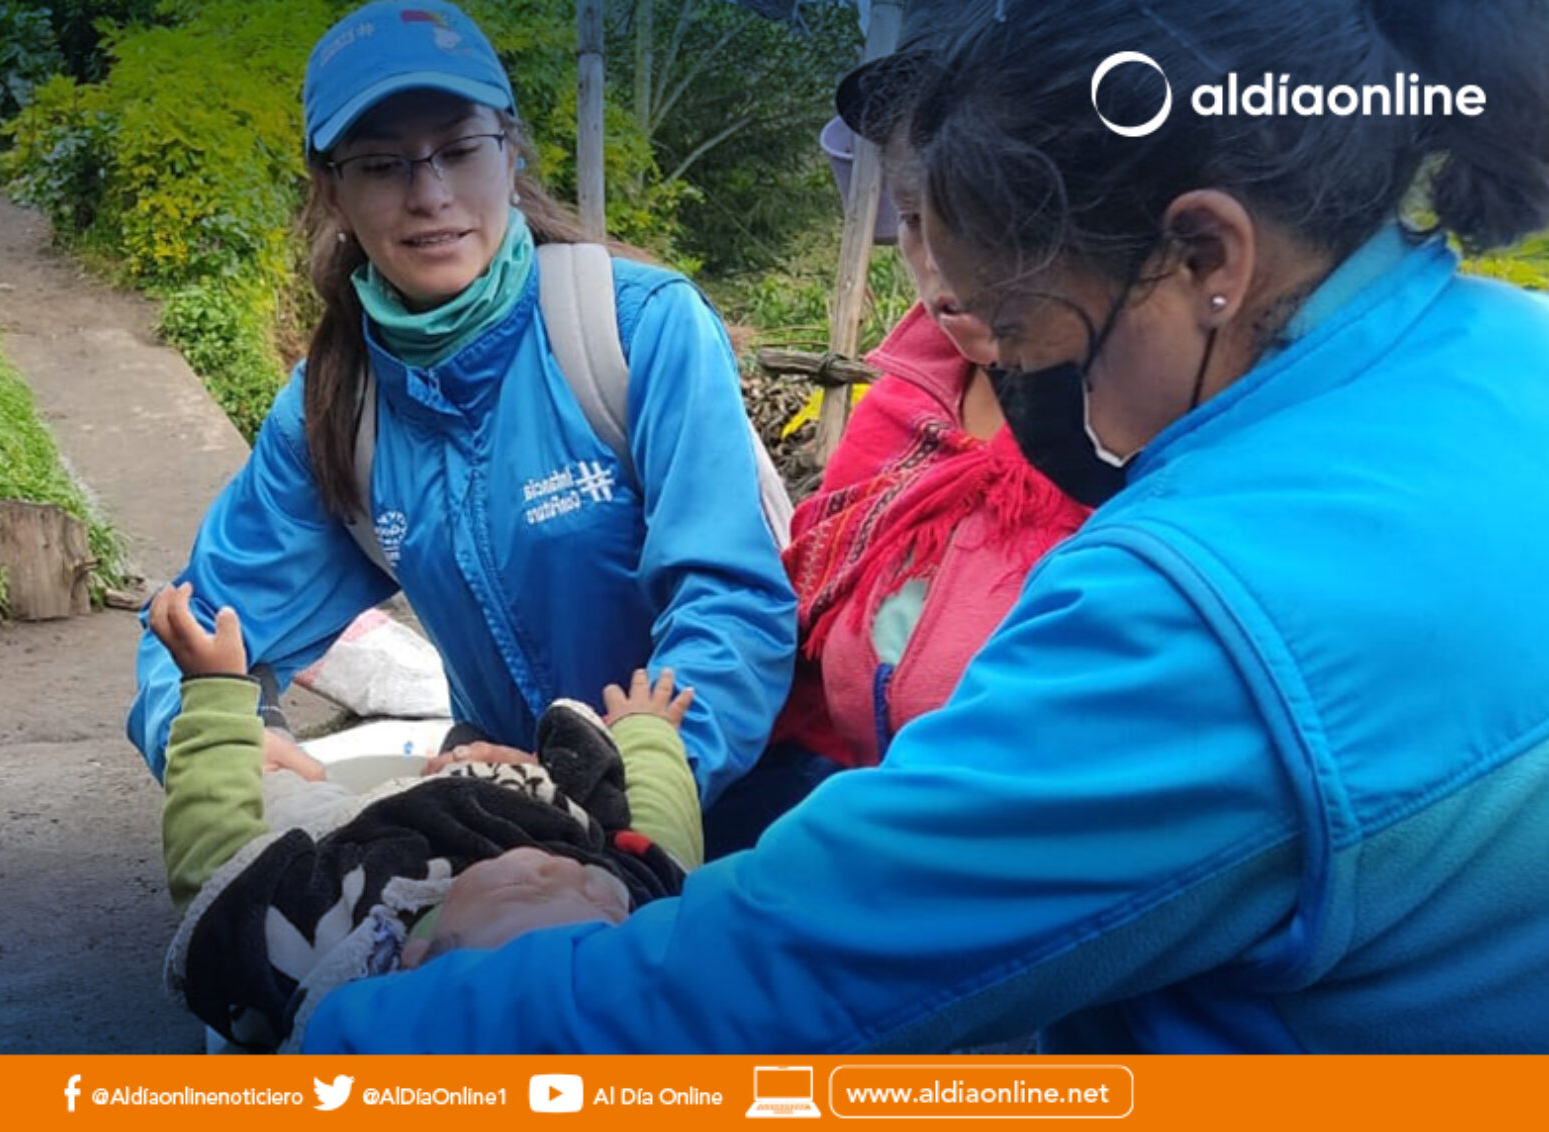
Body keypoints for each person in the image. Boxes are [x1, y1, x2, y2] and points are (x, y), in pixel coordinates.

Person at [298, 0, 1549, 1053]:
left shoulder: (1198, 614)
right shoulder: (1508, 356)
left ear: (1205, 257)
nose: (999, 366)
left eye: (1021, 322)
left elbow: (787, 974)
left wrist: (350, 1047)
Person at [126, 1, 795, 811]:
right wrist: (223, 740)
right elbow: (194, 626)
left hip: (720, 816)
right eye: (382, 164)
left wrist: (616, 795)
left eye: (459, 149)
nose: (430, 194)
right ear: (331, 190)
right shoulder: (335, 408)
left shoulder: (638, 330)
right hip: (516, 824)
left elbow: (730, 603)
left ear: (509, 151)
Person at [705, 167, 1091, 857]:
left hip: (1009, 849)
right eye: (913, 217)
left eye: (981, 208)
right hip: (840, 808)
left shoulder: (1134, 441)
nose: (940, 253)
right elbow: (804, 619)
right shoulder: (900, 406)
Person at [149, 582, 702, 1053]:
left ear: (411, 958)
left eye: (521, 889)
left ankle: (265, 722)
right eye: (601, 906)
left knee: (264, 777)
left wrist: (215, 695)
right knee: (566, 787)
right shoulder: (625, 913)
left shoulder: (320, 947)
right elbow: (663, 838)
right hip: (517, 802)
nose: (557, 870)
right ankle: (461, 753)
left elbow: (213, 861)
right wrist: (647, 732)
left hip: (352, 836)